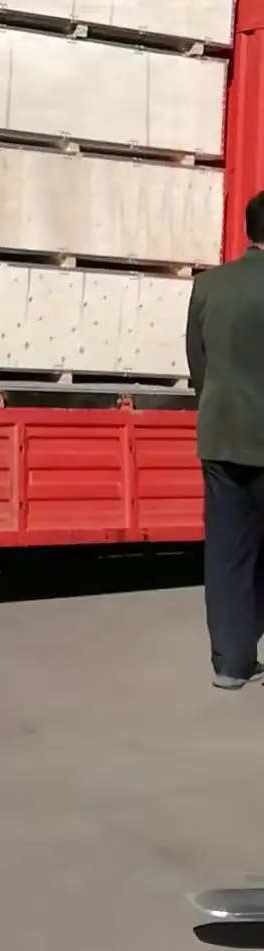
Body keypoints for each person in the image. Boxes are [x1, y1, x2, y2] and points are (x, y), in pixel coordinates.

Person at [186, 189, 264, 688]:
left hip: (223, 436)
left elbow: (198, 363)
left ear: (248, 232)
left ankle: (232, 665)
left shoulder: (209, 286)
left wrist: (217, 407)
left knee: (228, 552)